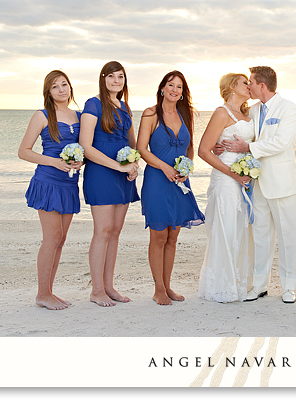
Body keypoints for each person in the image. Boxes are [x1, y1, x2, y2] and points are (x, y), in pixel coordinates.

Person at [222, 66, 296, 304]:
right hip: (257, 183)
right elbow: (243, 134)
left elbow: (281, 142)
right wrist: (222, 146)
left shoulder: (290, 108)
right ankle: (259, 285)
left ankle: (288, 287)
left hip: (281, 183)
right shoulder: (253, 110)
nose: (249, 87)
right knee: (260, 236)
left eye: (251, 83)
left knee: (288, 236)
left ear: (262, 85)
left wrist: (247, 148)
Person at [137, 70, 205, 306]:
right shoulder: (150, 114)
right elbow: (142, 148)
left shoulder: (185, 115)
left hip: (180, 183)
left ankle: (167, 286)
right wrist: (165, 168)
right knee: (158, 234)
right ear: (162, 88)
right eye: (171, 85)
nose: (175, 90)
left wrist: (188, 168)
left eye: (179, 87)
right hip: (157, 180)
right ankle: (158, 290)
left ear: (182, 93)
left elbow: (190, 149)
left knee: (173, 236)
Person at [18, 70, 83, 310]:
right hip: (48, 182)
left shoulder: (79, 116)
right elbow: (23, 151)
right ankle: (42, 294)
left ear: (70, 87)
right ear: (48, 92)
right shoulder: (42, 115)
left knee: (61, 240)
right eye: (55, 86)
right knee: (52, 238)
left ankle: (49, 292)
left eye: (64, 84)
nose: (61, 90)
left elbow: (83, 149)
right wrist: (54, 161)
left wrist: (80, 161)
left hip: (69, 184)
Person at [79, 61, 139, 307]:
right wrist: (118, 166)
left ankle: (109, 286)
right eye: (112, 76)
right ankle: (96, 290)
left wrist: (134, 164)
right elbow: (85, 145)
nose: (116, 81)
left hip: (123, 175)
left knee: (115, 232)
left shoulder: (125, 106)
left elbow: (132, 142)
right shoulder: (93, 104)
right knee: (102, 231)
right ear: (103, 79)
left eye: (121, 77)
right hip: (102, 173)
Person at [197, 73, 255, 303]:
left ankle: (239, 283)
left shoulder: (248, 114)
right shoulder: (222, 112)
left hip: (245, 180)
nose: (249, 86)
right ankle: (221, 286)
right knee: (226, 228)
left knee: (241, 229)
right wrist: (233, 174)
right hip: (226, 179)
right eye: (245, 83)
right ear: (232, 87)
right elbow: (204, 150)